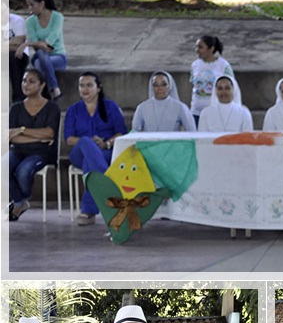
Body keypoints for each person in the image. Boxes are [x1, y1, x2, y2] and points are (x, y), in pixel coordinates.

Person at [64, 71, 127, 226]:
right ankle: (105, 180)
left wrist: (106, 144)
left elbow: (121, 133)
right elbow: (69, 139)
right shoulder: (73, 109)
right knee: (86, 142)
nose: (85, 89)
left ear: (98, 88)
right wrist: (90, 143)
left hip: (106, 151)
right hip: (79, 152)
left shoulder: (110, 106)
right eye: (81, 85)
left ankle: (88, 211)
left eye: (89, 85)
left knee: (89, 164)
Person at [8, 68, 60, 221]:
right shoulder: (16, 108)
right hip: (18, 150)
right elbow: (11, 137)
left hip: (42, 152)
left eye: (31, 81)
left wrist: (22, 130)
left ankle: (19, 201)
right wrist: (38, 136)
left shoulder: (51, 108)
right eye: (24, 80)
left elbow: (50, 134)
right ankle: (20, 202)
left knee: (24, 170)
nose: (26, 84)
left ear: (41, 85)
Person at [18, 0, 67, 101]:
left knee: (40, 64)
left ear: (41, 4)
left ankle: (42, 98)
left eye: (32, 5)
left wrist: (27, 44)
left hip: (58, 56)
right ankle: (54, 90)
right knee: (40, 54)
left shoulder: (57, 17)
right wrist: (37, 44)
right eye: (28, 5)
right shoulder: (30, 21)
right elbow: (38, 46)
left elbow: (50, 41)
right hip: (41, 55)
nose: (30, 8)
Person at [131, 70, 196, 132]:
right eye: (156, 85)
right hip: (149, 143)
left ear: (169, 86)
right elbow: (135, 132)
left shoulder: (180, 107)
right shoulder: (142, 108)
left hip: (172, 143)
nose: (160, 88)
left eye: (164, 84)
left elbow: (192, 131)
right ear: (152, 87)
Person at [190, 35, 233, 125]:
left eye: (200, 47)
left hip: (216, 112)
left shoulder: (223, 66)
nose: (197, 50)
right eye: (196, 47)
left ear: (211, 49)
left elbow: (232, 87)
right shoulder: (195, 65)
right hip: (196, 113)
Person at [5, 7, 31, 103]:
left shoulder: (17, 21)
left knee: (14, 58)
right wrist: (11, 44)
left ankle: (18, 99)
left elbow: (19, 42)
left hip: (19, 55)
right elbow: (15, 43)